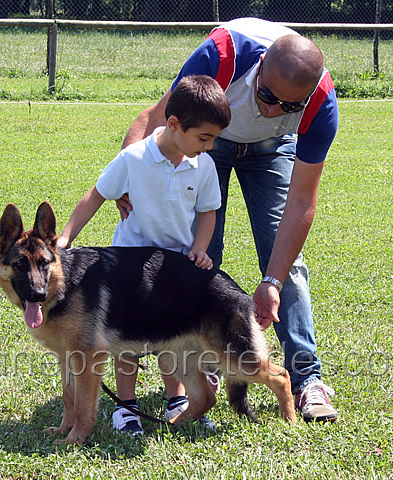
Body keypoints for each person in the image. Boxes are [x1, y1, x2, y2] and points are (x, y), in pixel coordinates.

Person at [118, 18, 339, 422]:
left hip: (274, 150)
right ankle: (203, 365)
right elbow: (158, 119)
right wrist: (129, 183)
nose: (273, 110)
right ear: (259, 70)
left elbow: (302, 200)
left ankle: (307, 379)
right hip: (210, 141)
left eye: (289, 106)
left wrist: (271, 280)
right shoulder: (223, 55)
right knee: (194, 257)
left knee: (288, 269)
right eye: (267, 95)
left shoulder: (321, 102)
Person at [57, 75, 231, 434]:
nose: (210, 146)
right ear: (173, 124)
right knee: (125, 342)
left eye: (214, 138)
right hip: (129, 269)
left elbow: (208, 212)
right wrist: (66, 237)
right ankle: (126, 406)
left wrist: (199, 249)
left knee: (173, 336)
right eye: (204, 138)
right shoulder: (133, 158)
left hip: (174, 268)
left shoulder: (204, 166)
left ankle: (178, 399)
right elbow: (96, 195)